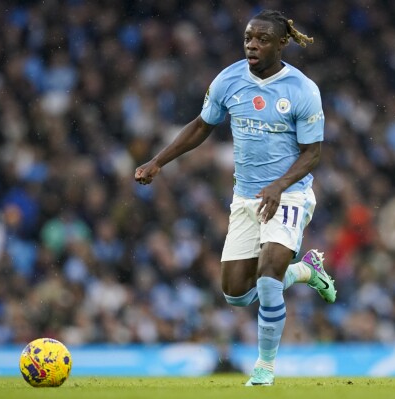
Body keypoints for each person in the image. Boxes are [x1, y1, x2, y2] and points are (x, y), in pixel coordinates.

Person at [134, 9, 336, 386]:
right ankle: (307, 270)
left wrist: (278, 185)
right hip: (245, 198)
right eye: (248, 38)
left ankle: (264, 368)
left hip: (289, 194)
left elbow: (313, 152)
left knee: (268, 274)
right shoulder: (228, 80)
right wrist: (158, 161)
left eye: (261, 39)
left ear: (281, 43)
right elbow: (200, 126)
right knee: (236, 295)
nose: (252, 45)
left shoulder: (302, 89)